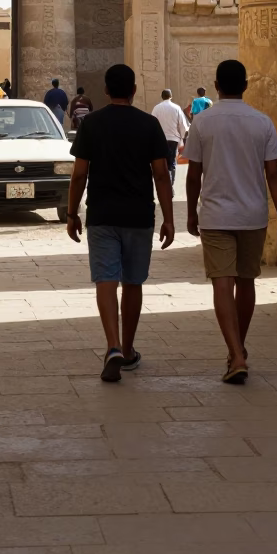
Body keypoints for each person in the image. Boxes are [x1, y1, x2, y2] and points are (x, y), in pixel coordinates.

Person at [185, 59, 277, 385]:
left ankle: (237, 353)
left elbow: (193, 175)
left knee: (222, 282)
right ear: (245, 86)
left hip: (216, 215)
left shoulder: (203, 123)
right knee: (246, 282)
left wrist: (191, 212)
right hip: (252, 215)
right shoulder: (262, 122)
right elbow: (273, 173)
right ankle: (238, 349)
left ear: (216, 85)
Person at [67, 63, 174, 383]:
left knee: (105, 279)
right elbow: (160, 174)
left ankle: (112, 345)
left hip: (101, 215)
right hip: (139, 215)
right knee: (133, 282)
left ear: (106, 90)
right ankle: (127, 350)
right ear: (134, 90)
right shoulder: (149, 124)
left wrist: (72, 214)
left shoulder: (92, 125)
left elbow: (80, 174)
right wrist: (169, 219)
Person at [151, 89, 189, 190]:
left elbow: (152, 123)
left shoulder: (156, 108)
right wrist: (182, 138)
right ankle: (170, 186)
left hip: (160, 139)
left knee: (161, 162)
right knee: (171, 162)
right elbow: (182, 124)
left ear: (162, 96)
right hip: (173, 139)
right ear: (171, 96)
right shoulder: (176, 108)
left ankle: (164, 185)